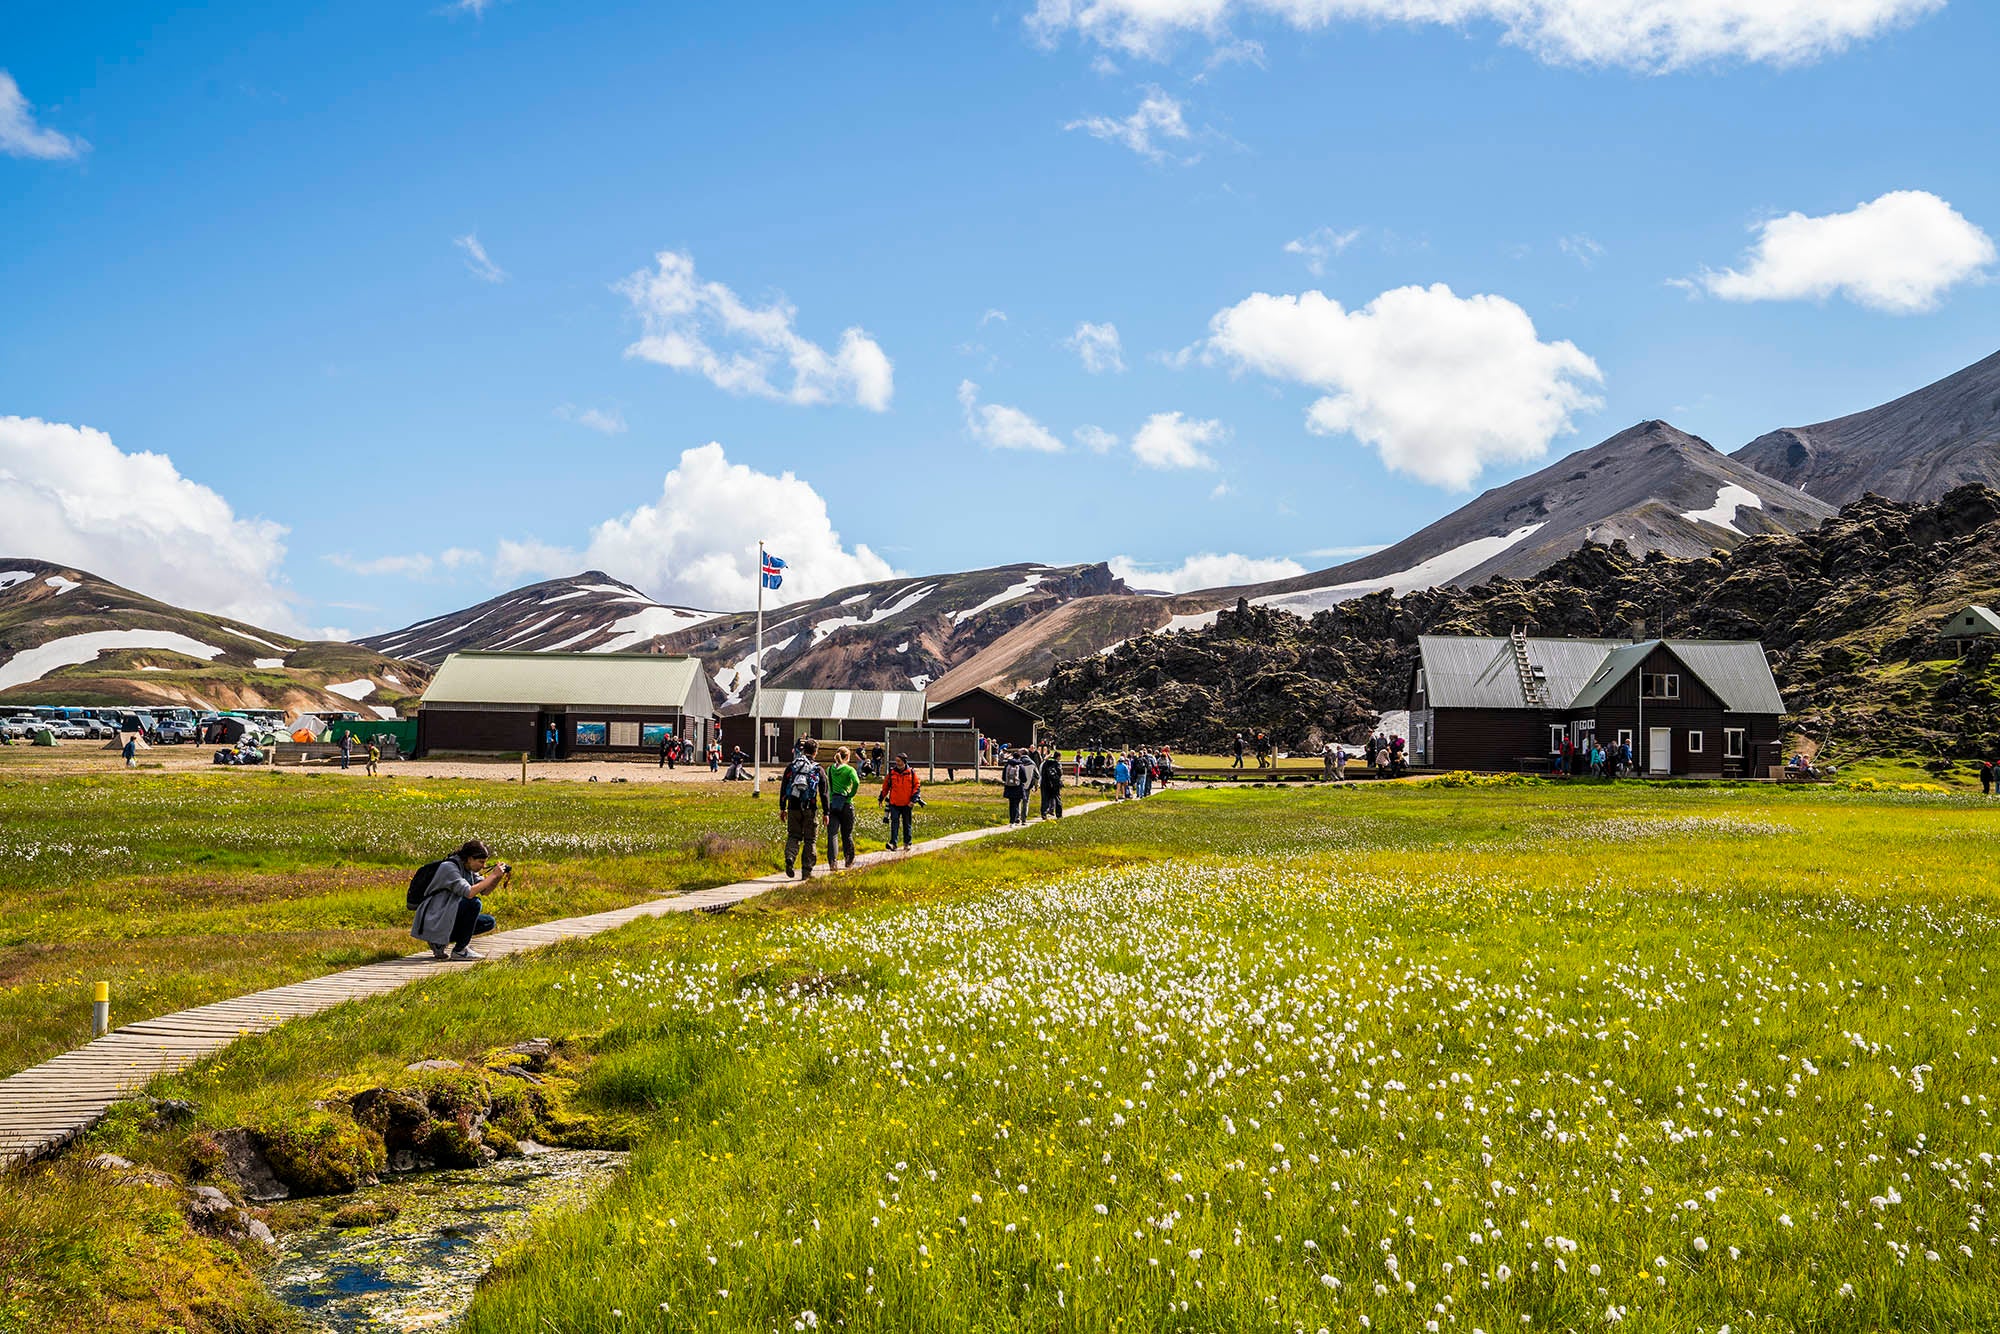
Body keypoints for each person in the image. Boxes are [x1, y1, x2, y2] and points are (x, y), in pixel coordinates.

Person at [411, 839, 504, 961]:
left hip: (447, 913)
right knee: (474, 904)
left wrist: (496, 878)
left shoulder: (467, 868)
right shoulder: (449, 868)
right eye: (481, 862)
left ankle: (439, 941)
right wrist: (492, 875)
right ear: (470, 858)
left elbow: (485, 891)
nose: (483, 866)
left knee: (488, 922)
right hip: (435, 916)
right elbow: (469, 892)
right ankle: (460, 950)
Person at [778, 738, 829, 879]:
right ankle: (806, 871)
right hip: (810, 808)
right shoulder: (818, 769)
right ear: (815, 752)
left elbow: (783, 788)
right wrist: (826, 812)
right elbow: (824, 792)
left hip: (793, 806)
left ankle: (790, 857)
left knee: (793, 836)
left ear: (802, 750)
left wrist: (783, 808)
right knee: (810, 840)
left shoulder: (792, 766)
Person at [826, 745, 860, 869]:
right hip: (846, 804)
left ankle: (832, 862)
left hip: (833, 803)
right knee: (847, 834)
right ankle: (848, 860)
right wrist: (850, 794)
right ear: (848, 756)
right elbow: (856, 782)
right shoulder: (849, 770)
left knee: (832, 834)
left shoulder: (829, 769)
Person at [879, 752, 922, 850]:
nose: (897, 763)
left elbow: (917, 786)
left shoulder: (911, 772)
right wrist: (881, 798)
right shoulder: (891, 773)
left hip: (907, 804)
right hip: (894, 803)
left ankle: (907, 843)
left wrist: (913, 800)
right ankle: (893, 843)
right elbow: (885, 787)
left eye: (899, 761)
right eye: (896, 761)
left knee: (907, 824)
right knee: (894, 823)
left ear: (904, 761)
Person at [1001, 748, 1032, 825]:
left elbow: (1003, 778)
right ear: (1019, 757)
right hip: (1018, 787)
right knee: (1017, 804)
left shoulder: (1007, 765)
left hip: (1009, 787)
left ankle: (1011, 819)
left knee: (1011, 804)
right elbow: (1024, 779)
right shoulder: (1021, 766)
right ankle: (1015, 820)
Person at [1039, 748, 1064, 819]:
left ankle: (1044, 814)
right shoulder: (1057, 764)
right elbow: (1060, 773)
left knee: (1045, 799)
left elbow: (1042, 772)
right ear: (1058, 757)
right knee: (1057, 798)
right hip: (1054, 784)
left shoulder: (1045, 763)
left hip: (1045, 783)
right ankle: (1059, 814)